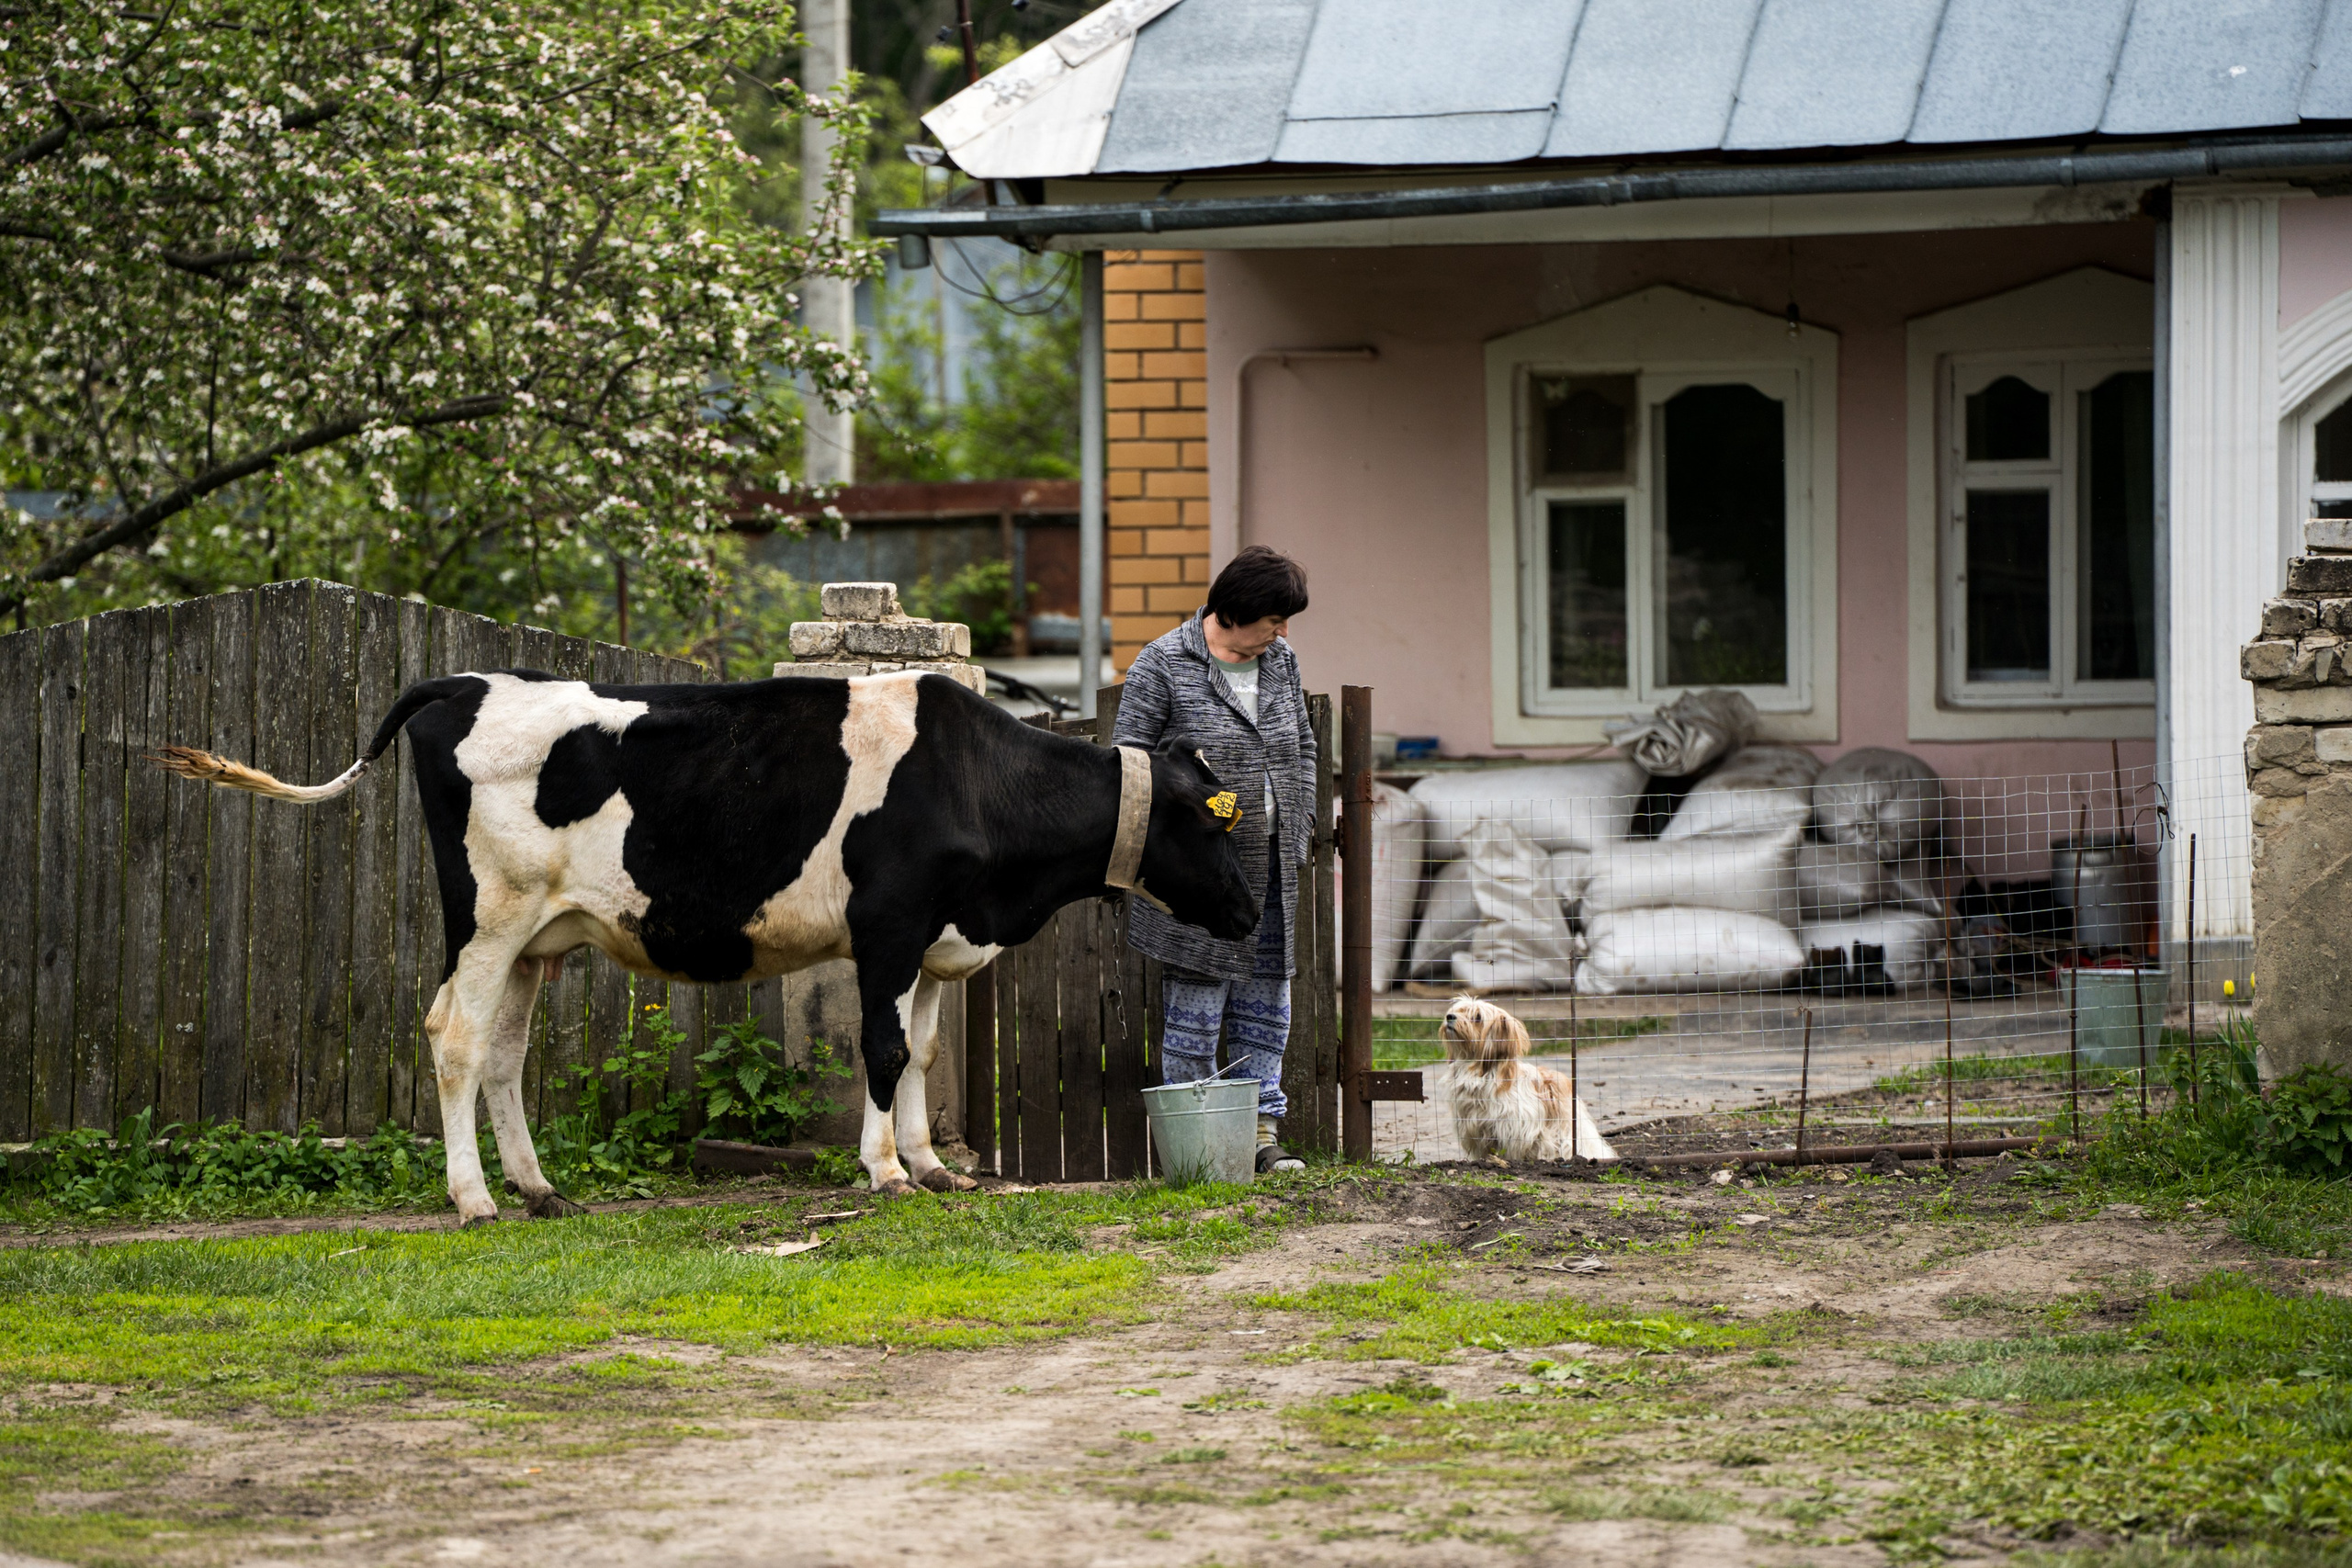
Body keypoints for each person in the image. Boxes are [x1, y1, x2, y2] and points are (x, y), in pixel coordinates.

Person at [1113, 545, 1317, 1173]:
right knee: (1196, 1014)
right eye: (1273, 619)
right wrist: (1189, 809)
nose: (1281, 633)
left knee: (1266, 1008)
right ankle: (1200, 1151)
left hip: (1271, 874)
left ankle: (1259, 1138)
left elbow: (1303, 746)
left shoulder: (1280, 663)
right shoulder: (1164, 662)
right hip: (1195, 879)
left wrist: (1301, 822)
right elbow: (1128, 762)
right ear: (1237, 610)